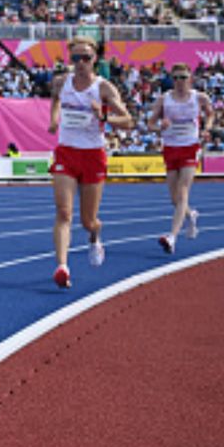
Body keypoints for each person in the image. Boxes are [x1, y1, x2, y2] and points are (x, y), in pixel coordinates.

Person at [47, 36, 135, 288]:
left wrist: (104, 115)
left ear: (95, 59)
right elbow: (55, 100)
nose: (81, 62)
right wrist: (54, 120)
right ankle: (62, 266)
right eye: (76, 58)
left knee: (88, 220)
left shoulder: (104, 88)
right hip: (66, 152)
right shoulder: (61, 82)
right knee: (64, 212)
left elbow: (128, 120)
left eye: (86, 57)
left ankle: (95, 235)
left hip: (93, 154)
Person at [151, 61, 213, 254]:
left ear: (190, 78)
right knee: (174, 198)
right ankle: (190, 214)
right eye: (175, 78)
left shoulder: (199, 97)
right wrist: (160, 126)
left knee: (183, 191)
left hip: (190, 146)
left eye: (183, 78)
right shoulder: (164, 99)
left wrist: (207, 129)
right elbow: (150, 123)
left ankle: (172, 237)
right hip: (170, 147)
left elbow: (211, 114)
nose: (179, 81)